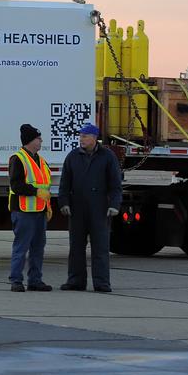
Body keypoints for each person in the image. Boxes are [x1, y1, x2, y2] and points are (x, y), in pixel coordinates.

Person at [57, 122, 123, 292]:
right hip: (77, 209)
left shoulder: (107, 157)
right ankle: (75, 281)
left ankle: (101, 283)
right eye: (80, 136)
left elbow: (115, 184)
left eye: (85, 136)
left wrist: (115, 205)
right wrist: (63, 203)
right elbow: (64, 183)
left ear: (94, 138)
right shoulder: (72, 157)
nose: (81, 139)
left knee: (100, 247)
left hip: (99, 209)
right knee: (76, 247)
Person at [7, 123, 52, 292]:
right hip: (23, 211)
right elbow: (16, 186)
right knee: (21, 247)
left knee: (38, 247)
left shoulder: (41, 160)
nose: (41, 141)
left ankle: (35, 280)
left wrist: (47, 205)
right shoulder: (17, 159)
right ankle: (16, 280)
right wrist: (35, 192)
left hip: (39, 211)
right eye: (38, 138)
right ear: (30, 141)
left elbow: (45, 186)